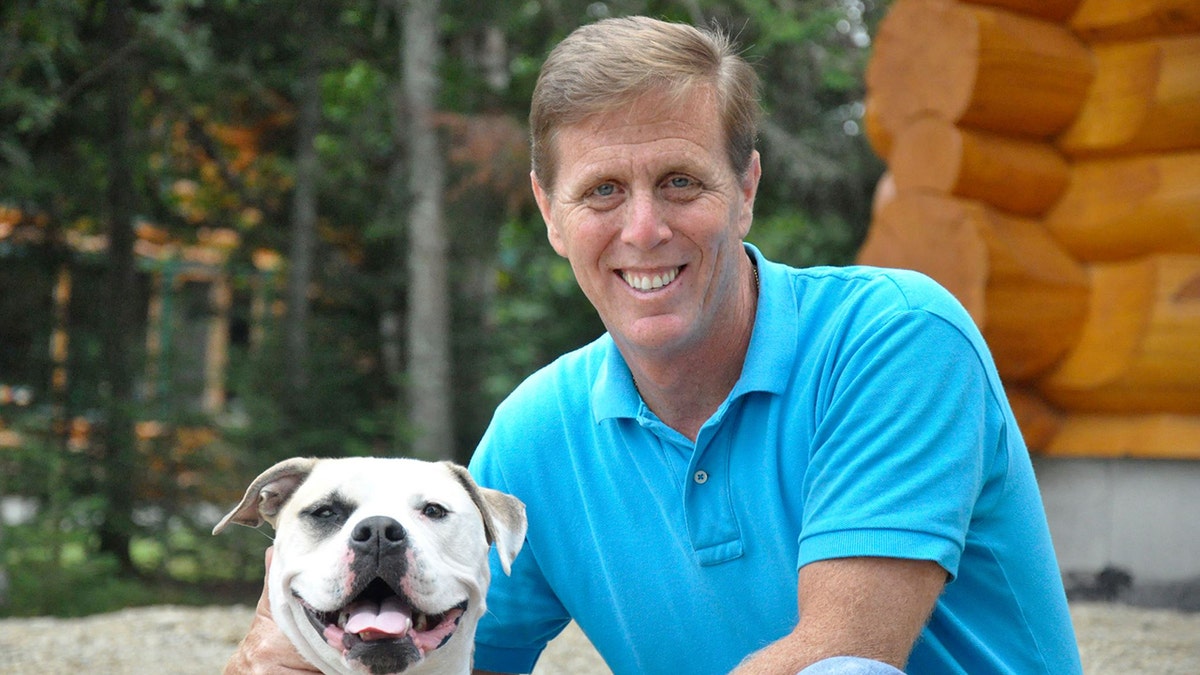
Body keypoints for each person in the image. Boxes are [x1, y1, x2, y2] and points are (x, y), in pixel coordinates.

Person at [226, 16, 1082, 675]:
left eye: (680, 181)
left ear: (745, 188)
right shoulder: (536, 432)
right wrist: (287, 642)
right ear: (550, 214)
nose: (643, 229)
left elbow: (838, 653)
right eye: (601, 190)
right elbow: (452, 647)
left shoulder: (894, 338)